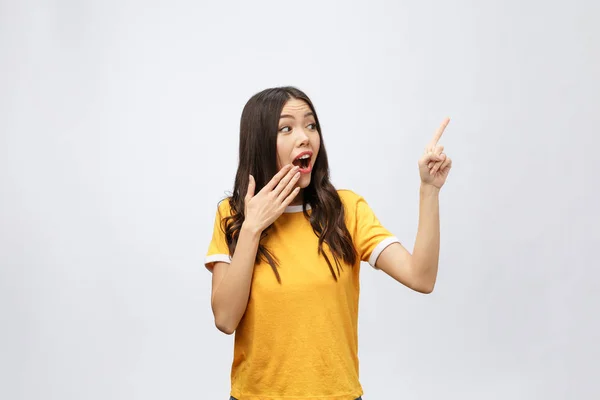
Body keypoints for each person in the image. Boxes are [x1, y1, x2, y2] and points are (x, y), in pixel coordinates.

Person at [204, 86, 452, 400]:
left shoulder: (346, 211)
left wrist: (429, 190)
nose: (304, 137)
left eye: (311, 125)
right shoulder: (233, 215)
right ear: (260, 143)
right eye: (286, 128)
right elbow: (225, 319)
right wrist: (253, 227)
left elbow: (422, 277)